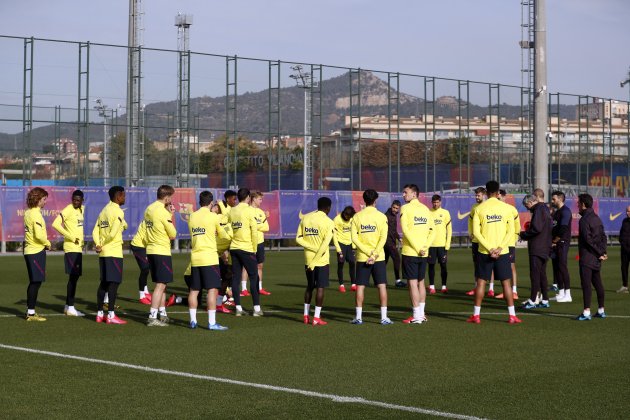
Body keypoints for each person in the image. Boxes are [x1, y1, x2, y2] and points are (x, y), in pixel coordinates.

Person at [467, 181, 521, 324]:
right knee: (506, 284)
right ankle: (512, 315)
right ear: (498, 193)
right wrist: (499, 248)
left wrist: (489, 248)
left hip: (484, 251)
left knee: (481, 283)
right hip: (502, 252)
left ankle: (476, 316)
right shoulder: (507, 208)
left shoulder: (479, 208)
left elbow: (476, 233)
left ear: (485, 192)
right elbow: (511, 231)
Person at [187, 191, 232, 330]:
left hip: (195, 258)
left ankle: (193, 320)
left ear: (199, 201)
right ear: (211, 203)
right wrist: (219, 231)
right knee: (212, 290)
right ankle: (212, 323)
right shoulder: (213, 217)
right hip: (210, 258)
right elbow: (224, 235)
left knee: (194, 290)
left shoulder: (192, 216)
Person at [350, 189, 392, 325]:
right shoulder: (381, 216)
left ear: (364, 200)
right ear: (375, 200)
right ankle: (384, 317)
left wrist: (368, 253)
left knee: (360, 287)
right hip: (378, 257)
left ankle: (358, 317)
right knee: (381, 286)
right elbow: (383, 238)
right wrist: (373, 254)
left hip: (363, 257)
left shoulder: (357, 217)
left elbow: (354, 239)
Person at [399, 184, 435, 324]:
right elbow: (433, 231)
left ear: (414, 194)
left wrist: (418, 247)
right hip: (423, 253)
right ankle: (422, 314)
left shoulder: (405, 208)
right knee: (421, 282)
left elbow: (405, 230)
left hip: (411, 252)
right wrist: (425, 247)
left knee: (412, 283)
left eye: (405, 192)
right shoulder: (426, 209)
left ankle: (416, 315)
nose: (403, 195)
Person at [296, 197, 334, 326]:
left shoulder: (305, 218)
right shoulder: (329, 222)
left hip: (308, 258)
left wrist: (311, 249)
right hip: (321, 261)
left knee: (309, 286)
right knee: (320, 288)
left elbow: (298, 239)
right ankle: (316, 318)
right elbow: (324, 246)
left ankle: (306, 316)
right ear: (328, 207)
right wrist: (316, 253)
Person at [92, 186, 127, 324]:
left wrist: (98, 243)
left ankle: (99, 314)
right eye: (123, 195)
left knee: (104, 283)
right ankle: (111, 315)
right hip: (114, 252)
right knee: (114, 283)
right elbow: (112, 233)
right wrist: (103, 242)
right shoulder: (118, 211)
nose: (124, 198)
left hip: (103, 253)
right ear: (118, 196)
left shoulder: (104, 210)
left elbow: (95, 230)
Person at [144, 185, 178, 327]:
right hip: (161, 250)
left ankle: (162, 313)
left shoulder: (149, 208)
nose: (171, 200)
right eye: (171, 197)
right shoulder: (163, 212)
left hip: (151, 249)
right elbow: (173, 234)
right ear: (167, 197)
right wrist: (170, 214)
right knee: (160, 284)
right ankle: (152, 317)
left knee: (162, 284)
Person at [229, 188, 263, 316]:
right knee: (254, 277)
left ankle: (238, 308)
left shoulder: (232, 210)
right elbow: (254, 231)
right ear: (248, 197)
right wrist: (254, 249)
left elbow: (227, 225)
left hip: (234, 248)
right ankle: (257, 309)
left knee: (236, 277)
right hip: (247, 248)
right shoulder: (249, 210)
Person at [51, 189, 85, 316]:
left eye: (78, 200)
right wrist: (71, 237)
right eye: (74, 200)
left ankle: (67, 306)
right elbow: (55, 224)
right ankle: (70, 307)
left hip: (78, 249)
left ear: (82, 200)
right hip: (71, 248)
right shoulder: (68, 209)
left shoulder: (81, 209)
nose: (75, 202)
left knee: (74, 278)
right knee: (73, 278)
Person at [576, 193, 607, 320]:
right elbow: (603, 237)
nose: (577, 206)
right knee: (598, 283)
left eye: (578, 203)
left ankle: (586, 312)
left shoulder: (584, 220)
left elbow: (588, 240)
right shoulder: (596, 218)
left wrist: (600, 252)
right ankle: (601, 310)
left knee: (586, 284)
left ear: (583, 204)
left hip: (587, 257)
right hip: (596, 258)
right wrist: (603, 252)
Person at [23, 187, 51, 321]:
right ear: (38, 199)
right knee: (36, 282)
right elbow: (39, 235)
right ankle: (31, 313)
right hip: (35, 251)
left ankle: (30, 311)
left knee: (34, 281)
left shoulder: (28, 212)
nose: (45, 202)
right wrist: (48, 243)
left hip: (30, 250)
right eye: (44, 199)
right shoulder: (35, 214)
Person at [520, 193, 553, 309]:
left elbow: (536, 228)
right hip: (545, 246)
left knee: (535, 274)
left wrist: (523, 234)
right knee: (542, 274)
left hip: (538, 247)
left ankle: (533, 300)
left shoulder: (538, 209)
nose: (527, 208)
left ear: (530, 202)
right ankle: (544, 299)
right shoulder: (545, 208)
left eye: (526, 205)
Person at [467, 187, 495, 296]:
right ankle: (476, 287)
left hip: (487, 242)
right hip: (475, 241)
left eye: (478, 195)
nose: (476, 197)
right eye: (476, 195)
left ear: (484, 195)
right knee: (476, 264)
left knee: (490, 264)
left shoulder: (488, 206)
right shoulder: (474, 207)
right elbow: (470, 221)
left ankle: (491, 288)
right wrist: (470, 232)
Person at [495, 189, 520, 300]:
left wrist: (513, 239)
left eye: (499, 198)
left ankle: (514, 291)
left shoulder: (511, 209)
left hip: (508, 243)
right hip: (497, 243)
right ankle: (506, 291)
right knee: (502, 268)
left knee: (511, 266)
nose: (498, 199)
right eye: (497, 198)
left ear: (504, 197)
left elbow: (517, 226)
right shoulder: (495, 209)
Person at [550, 191, 573, 302]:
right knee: (556, 267)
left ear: (560, 199)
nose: (552, 201)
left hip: (562, 242)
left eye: (554, 199)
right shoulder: (557, 212)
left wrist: (555, 241)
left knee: (562, 267)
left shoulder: (566, 211)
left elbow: (563, 229)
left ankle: (568, 294)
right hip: (555, 244)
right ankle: (561, 292)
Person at [428, 194, 451, 294]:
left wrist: (447, 245)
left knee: (443, 266)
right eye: (434, 202)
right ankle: (432, 286)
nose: (435, 204)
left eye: (437, 202)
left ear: (440, 202)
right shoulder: (428, 212)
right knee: (431, 266)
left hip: (442, 245)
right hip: (431, 245)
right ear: (432, 202)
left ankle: (444, 286)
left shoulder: (445, 213)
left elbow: (449, 230)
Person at [250, 190, 271, 295]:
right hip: (249, 242)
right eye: (260, 199)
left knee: (260, 266)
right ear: (253, 199)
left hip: (260, 242)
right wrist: (258, 226)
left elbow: (266, 227)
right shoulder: (247, 211)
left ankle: (259, 287)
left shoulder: (261, 212)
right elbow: (248, 226)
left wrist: (255, 226)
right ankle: (244, 288)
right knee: (246, 267)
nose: (261, 201)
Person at [333, 205, 356, 292]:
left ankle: (353, 284)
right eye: (347, 216)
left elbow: (354, 232)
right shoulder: (336, 219)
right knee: (341, 264)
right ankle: (341, 285)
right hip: (341, 244)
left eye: (350, 216)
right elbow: (334, 236)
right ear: (344, 213)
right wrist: (338, 250)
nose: (348, 218)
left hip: (350, 244)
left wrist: (354, 246)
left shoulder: (352, 219)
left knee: (352, 263)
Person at [130, 218, 152, 305]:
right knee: (145, 268)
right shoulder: (149, 220)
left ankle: (146, 292)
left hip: (143, 246)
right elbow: (148, 236)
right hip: (138, 246)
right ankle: (142, 296)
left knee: (147, 268)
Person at [384, 200, 405, 288]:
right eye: (394, 207)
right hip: (388, 242)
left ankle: (380, 280)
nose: (395, 210)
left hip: (390, 242)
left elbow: (394, 230)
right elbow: (387, 231)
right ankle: (397, 281)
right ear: (391, 206)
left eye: (397, 208)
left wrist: (399, 238)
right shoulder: (387, 216)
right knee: (397, 259)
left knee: (383, 262)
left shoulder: (393, 216)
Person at [617, 205, 630, 294]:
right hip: (624, 249)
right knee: (624, 268)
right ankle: (625, 286)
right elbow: (621, 233)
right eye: (627, 211)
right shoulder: (624, 221)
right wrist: (621, 241)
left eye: (629, 211)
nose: (627, 213)